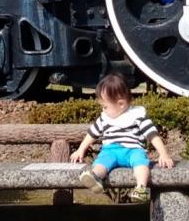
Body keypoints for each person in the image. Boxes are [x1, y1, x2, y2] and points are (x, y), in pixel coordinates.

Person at [69, 71, 174, 202]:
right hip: (110, 150)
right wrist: (81, 149)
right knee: (102, 162)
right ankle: (95, 177)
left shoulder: (137, 116)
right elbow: (92, 134)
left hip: (133, 150)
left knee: (141, 164)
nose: (103, 110)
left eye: (106, 106)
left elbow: (153, 135)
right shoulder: (104, 118)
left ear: (121, 104)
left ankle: (141, 188)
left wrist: (163, 154)